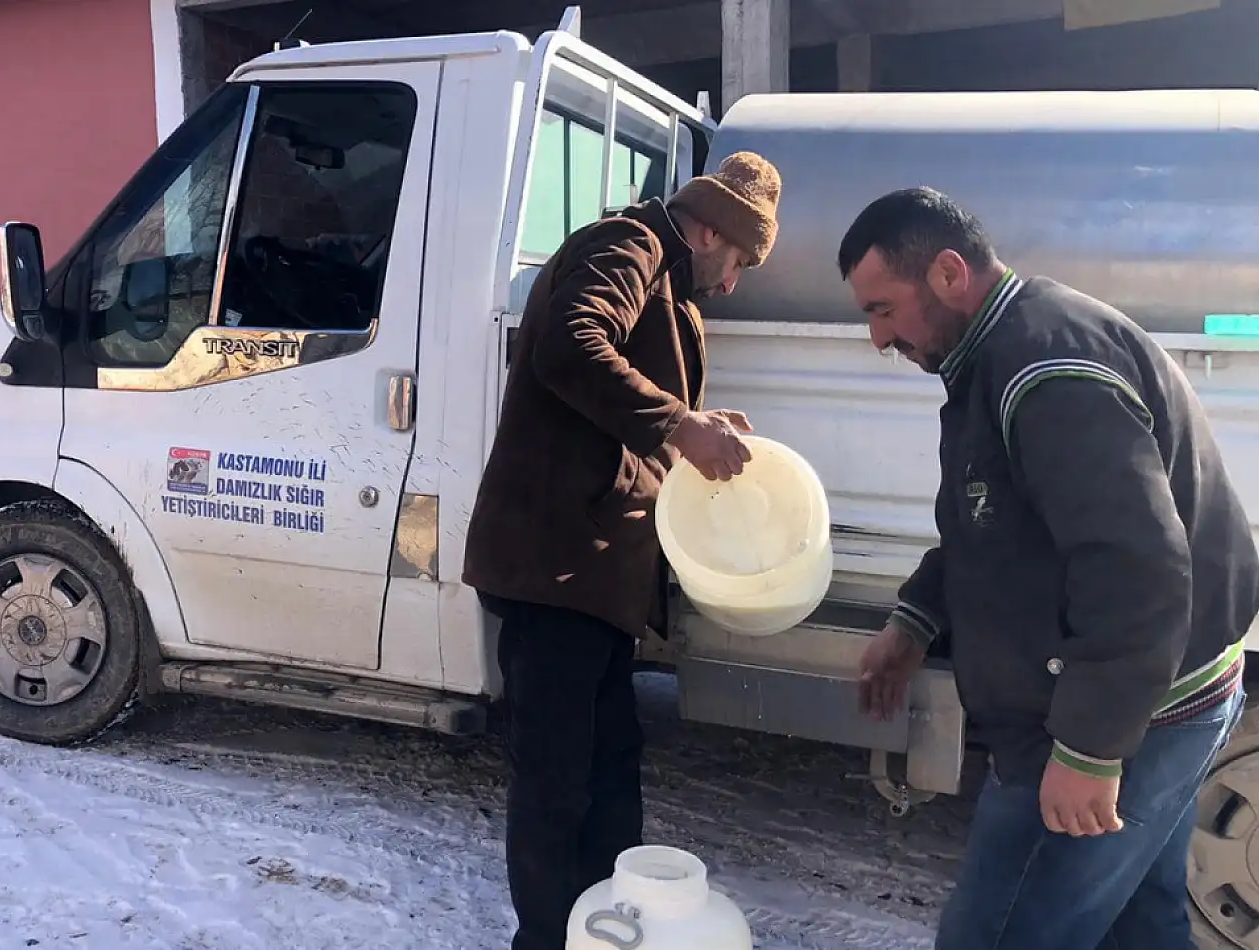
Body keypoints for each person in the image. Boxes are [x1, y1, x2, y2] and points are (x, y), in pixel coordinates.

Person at [840, 187, 1259, 950]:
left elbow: (1136, 565)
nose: (877, 337)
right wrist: (915, 619)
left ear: (946, 273)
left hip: (1134, 717)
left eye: (883, 309)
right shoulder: (999, 353)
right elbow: (993, 525)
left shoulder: (1047, 368)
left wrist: (1091, 749)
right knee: (1141, 921)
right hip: (1161, 698)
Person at [462, 152, 783, 950]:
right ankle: (548, 940)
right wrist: (679, 424)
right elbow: (570, 349)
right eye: (738, 258)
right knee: (558, 782)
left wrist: (697, 423)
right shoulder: (628, 245)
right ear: (709, 225)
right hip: (556, 563)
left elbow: (623, 397)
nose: (733, 281)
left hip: (598, 574)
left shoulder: (667, 274)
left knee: (609, 770)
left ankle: (607, 932)